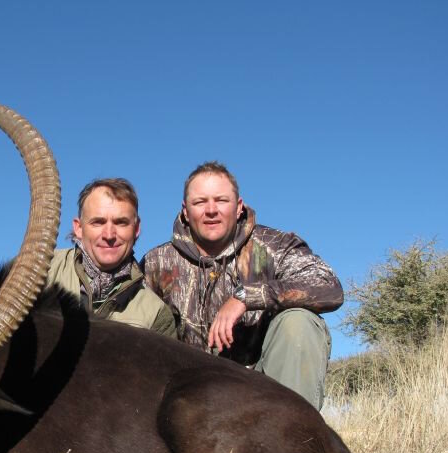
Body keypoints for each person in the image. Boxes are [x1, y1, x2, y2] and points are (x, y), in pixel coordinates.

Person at [142, 162, 343, 409]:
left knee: (299, 321)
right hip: (187, 398)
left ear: (238, 207)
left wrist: (246, 297)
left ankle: (294, 442)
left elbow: (329, 287)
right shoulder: (156, 263)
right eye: (200, 202)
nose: (211, 210)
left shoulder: (275, 246)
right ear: (185, 211)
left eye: (221, 200)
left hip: (262, 392)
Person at [47, 178, 177, 337]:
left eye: (121, 223)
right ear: (79, 228)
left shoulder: (156, 315)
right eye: (98, 222)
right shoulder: (41, 270)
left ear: (136, 229)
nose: (109, 235)